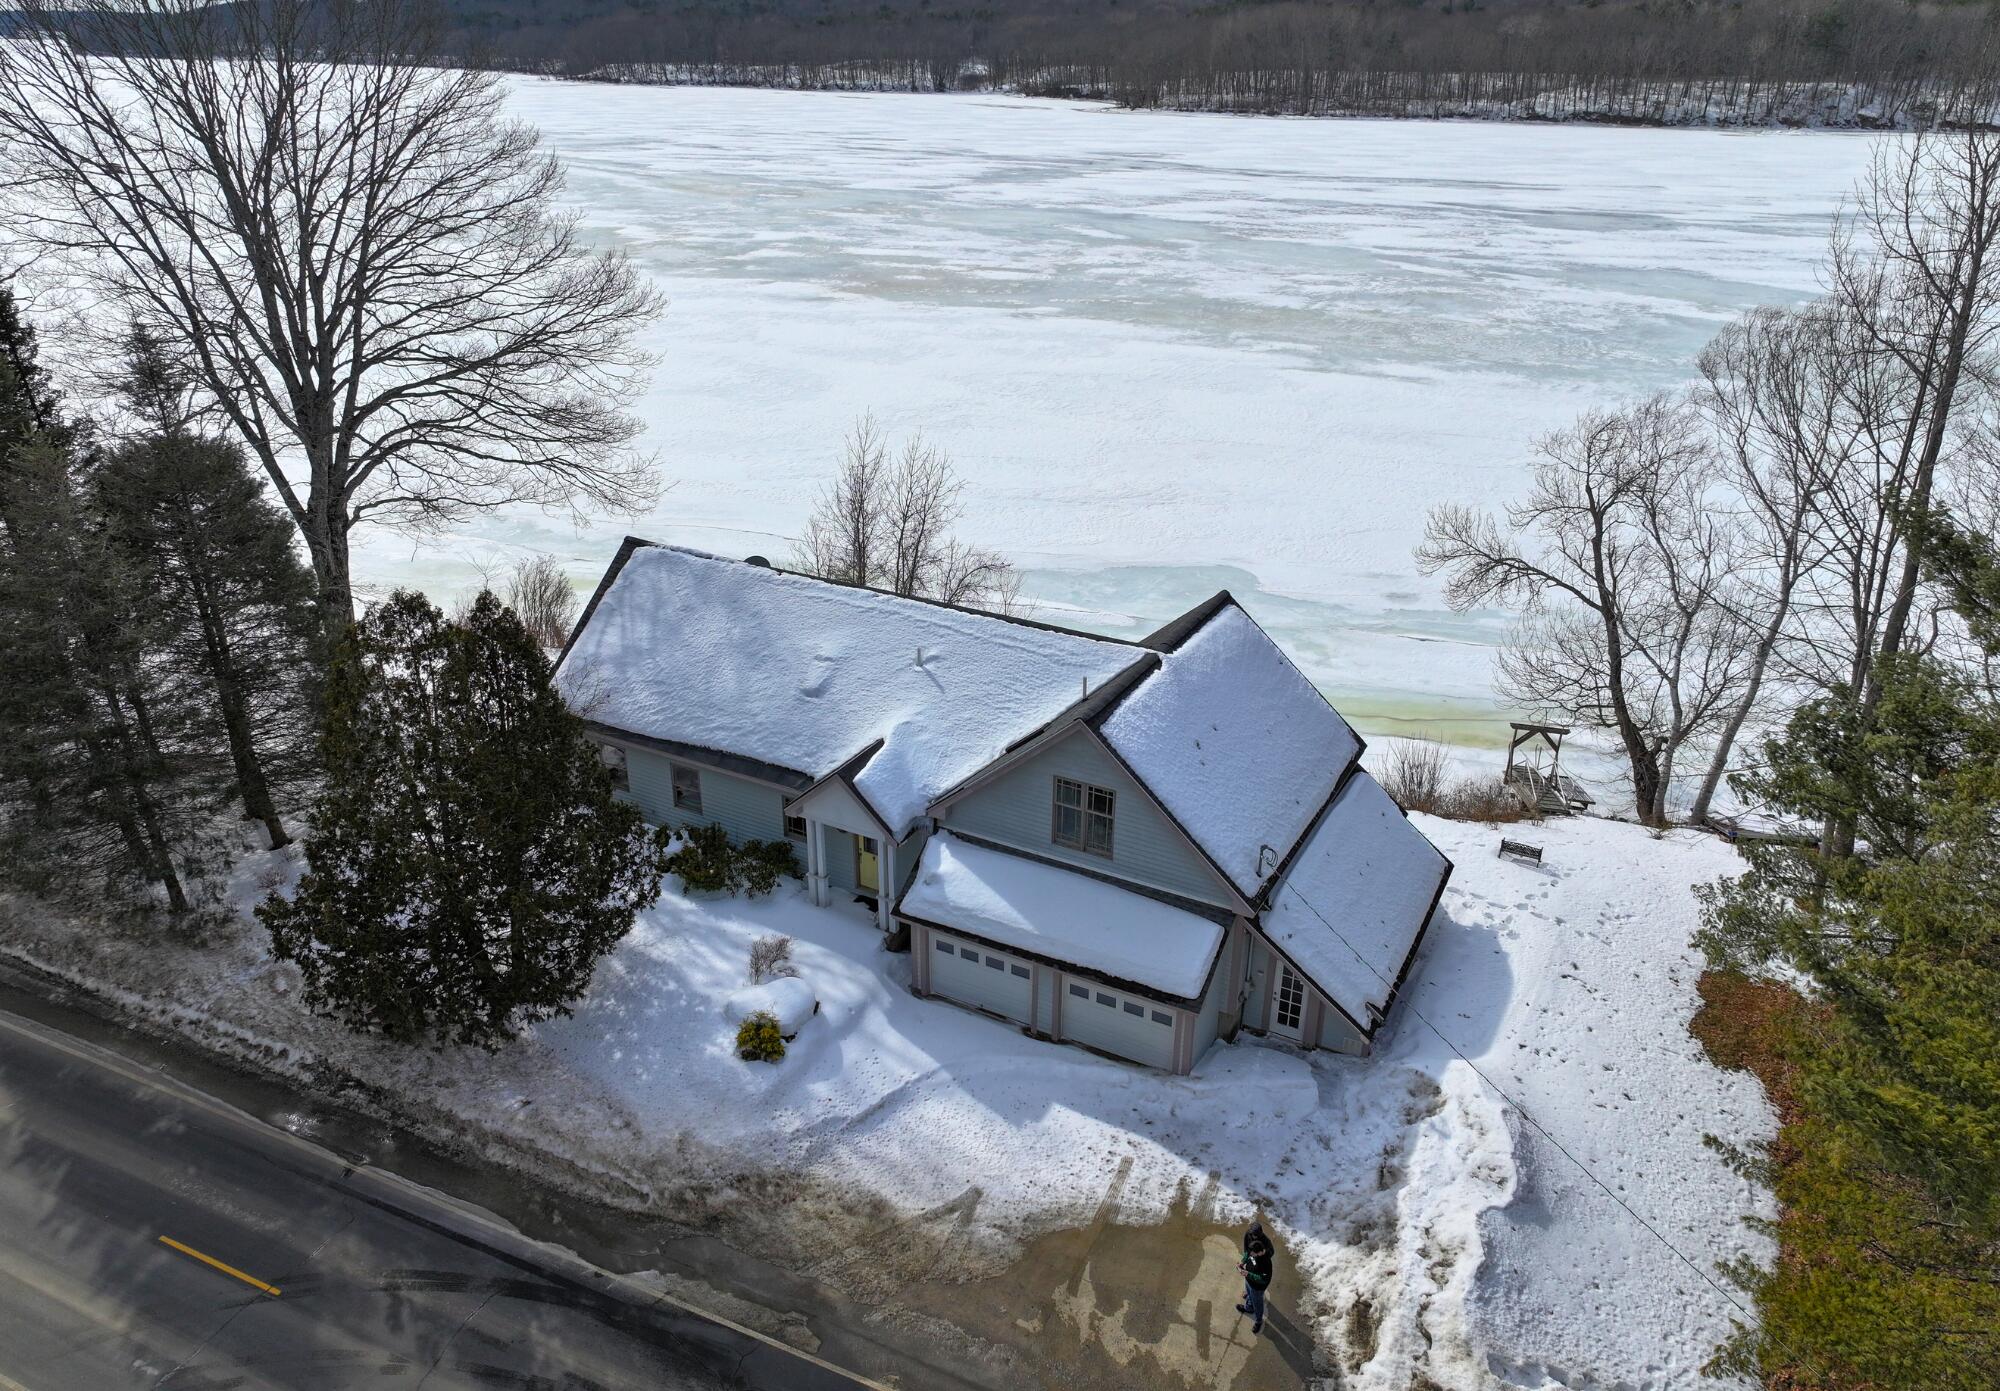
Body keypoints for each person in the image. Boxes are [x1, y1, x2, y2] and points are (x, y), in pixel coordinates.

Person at [1235, 1221, 1274, 1334]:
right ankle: (1249, 1306)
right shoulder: (1252, 1251)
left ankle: (1258, 1320)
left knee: (1258, 1303)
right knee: (1248, 1292)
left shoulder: (1266, 1262)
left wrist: (1248, 1274)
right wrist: (1242, 1263)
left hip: (1257, 1286)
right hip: (1249, 1280)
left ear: (1259, 1252)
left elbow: (1262, 1279)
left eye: (1253, 1254)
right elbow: (1247, 1252)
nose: (1250, 1254)